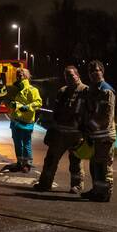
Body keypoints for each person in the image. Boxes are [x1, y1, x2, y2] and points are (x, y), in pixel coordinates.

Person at [34, 65, 88, 193]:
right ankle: (45, 184)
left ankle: (77, 186)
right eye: (66, 76)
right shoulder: (62, 91)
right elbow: (56, 111)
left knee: (76, 162)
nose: (68, 78)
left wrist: (85, 133)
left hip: (76, 134)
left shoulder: (85, 91)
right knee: (50, 160)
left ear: (77, 75)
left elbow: (88, 113)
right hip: (59, 133)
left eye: (71, 75)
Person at [81, 60, 116, 201]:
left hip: (105, 135)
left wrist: (89, 127)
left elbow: (105, 116)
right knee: (95, 165)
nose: (94, 73)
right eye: (91, 71)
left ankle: (105, 193)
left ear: (102, 71)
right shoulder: (92, 90)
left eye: (97, 70)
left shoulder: (106, 90)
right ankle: (96, 190)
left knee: (104, 166)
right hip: (94, 135)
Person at [6, 68, 42, 172]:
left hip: (26, 121)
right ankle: (20, 163)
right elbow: (9, 100)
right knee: (18, 143)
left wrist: (27, 107)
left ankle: (27, 164)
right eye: (17, 74)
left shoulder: (32, 90)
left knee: (26, 143)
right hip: (15, 121)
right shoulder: (14, 89)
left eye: (21, 74)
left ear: (26, 76)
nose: (19, 76)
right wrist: (11, 104)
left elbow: (38, 103)